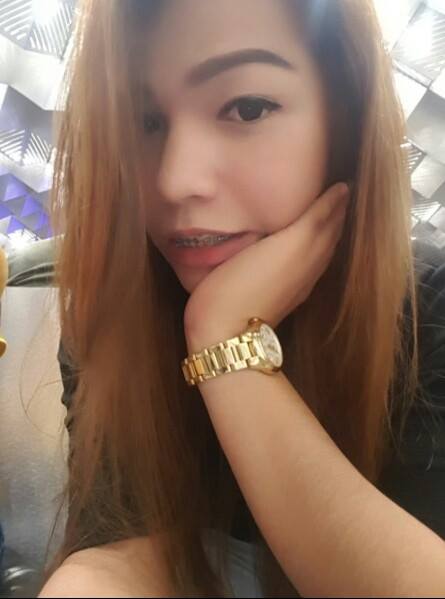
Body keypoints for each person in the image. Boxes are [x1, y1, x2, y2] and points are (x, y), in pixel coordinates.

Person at [38, 0, 445, 596]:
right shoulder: (108, 319)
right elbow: (114, 553)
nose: (175, 180)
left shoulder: (428, 304)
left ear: (345, 118)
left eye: (247, 108)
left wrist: (228, 341)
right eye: (142, 121)